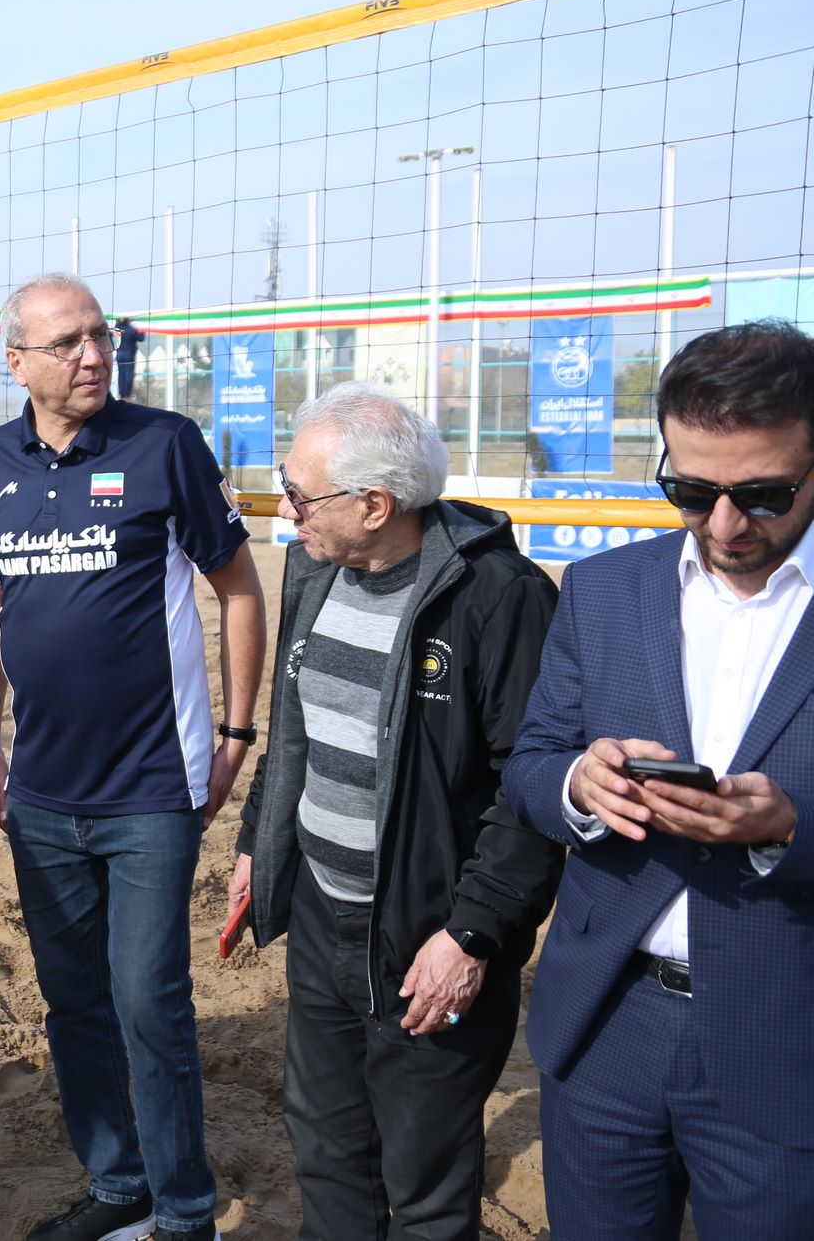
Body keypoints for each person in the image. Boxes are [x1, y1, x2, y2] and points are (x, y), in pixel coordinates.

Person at [0, 273, 264, 1241]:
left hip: (151, 788)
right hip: (40, 792)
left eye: (101, 336)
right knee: (73, 1002)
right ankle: (118, 1183)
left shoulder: (162, 443)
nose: (93, 355)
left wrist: (236, 733)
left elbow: (239, 589)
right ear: (17, 361)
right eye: (67, 342)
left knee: (148, 1002)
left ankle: (185, 1209)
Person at [223, 383, 562, 1240]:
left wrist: (470, 937)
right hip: (320, 915)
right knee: (327, 1151)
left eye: (298, 494)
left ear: (374, 504)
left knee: (424, 1183)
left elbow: (531, 791)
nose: (285, 509)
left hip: (426, 934)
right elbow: (295, 731)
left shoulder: (498, 596)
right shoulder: (314, 568)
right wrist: (258, 842)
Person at [504, 319, 814, 1239]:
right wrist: (579, 784)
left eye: (762, 494)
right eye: (690, 489)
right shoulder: (602, 589)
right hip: (604, 1025)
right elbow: (530, 763)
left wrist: (788, 827)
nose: (724, 525)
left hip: (784, 1036)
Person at [113, 315, 143, 402]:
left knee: (121, 375)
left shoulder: (118, 330)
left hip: (120, 355)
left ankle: (122, 394)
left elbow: (116, 327)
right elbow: (141, 338)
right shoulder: (131, 330)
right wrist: (141, 330)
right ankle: (127, 394)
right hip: (129, 355)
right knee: (128, 375)